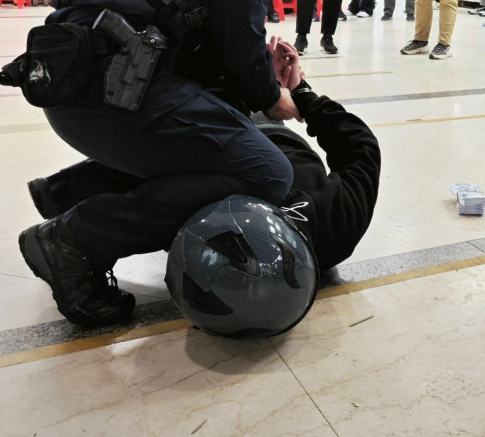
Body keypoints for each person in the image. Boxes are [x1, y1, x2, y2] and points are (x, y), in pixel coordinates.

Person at [0, 0, 344, 328]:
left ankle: (75, 192)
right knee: (266, 173)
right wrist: (275, 98)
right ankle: (77, 239)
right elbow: (238, 47)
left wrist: (256, 69)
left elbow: (209, 36)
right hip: (111, 92)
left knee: (225, 124)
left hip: (76, 78)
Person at [24, 35, 382, 290]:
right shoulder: (337, 229)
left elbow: (361, 147)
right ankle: (68, 201)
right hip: (260, 129)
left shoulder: (208, 240)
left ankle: (65, 192)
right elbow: (360, 146)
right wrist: (296, 93)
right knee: (192, 164)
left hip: (232, 126)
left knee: (184, 169)